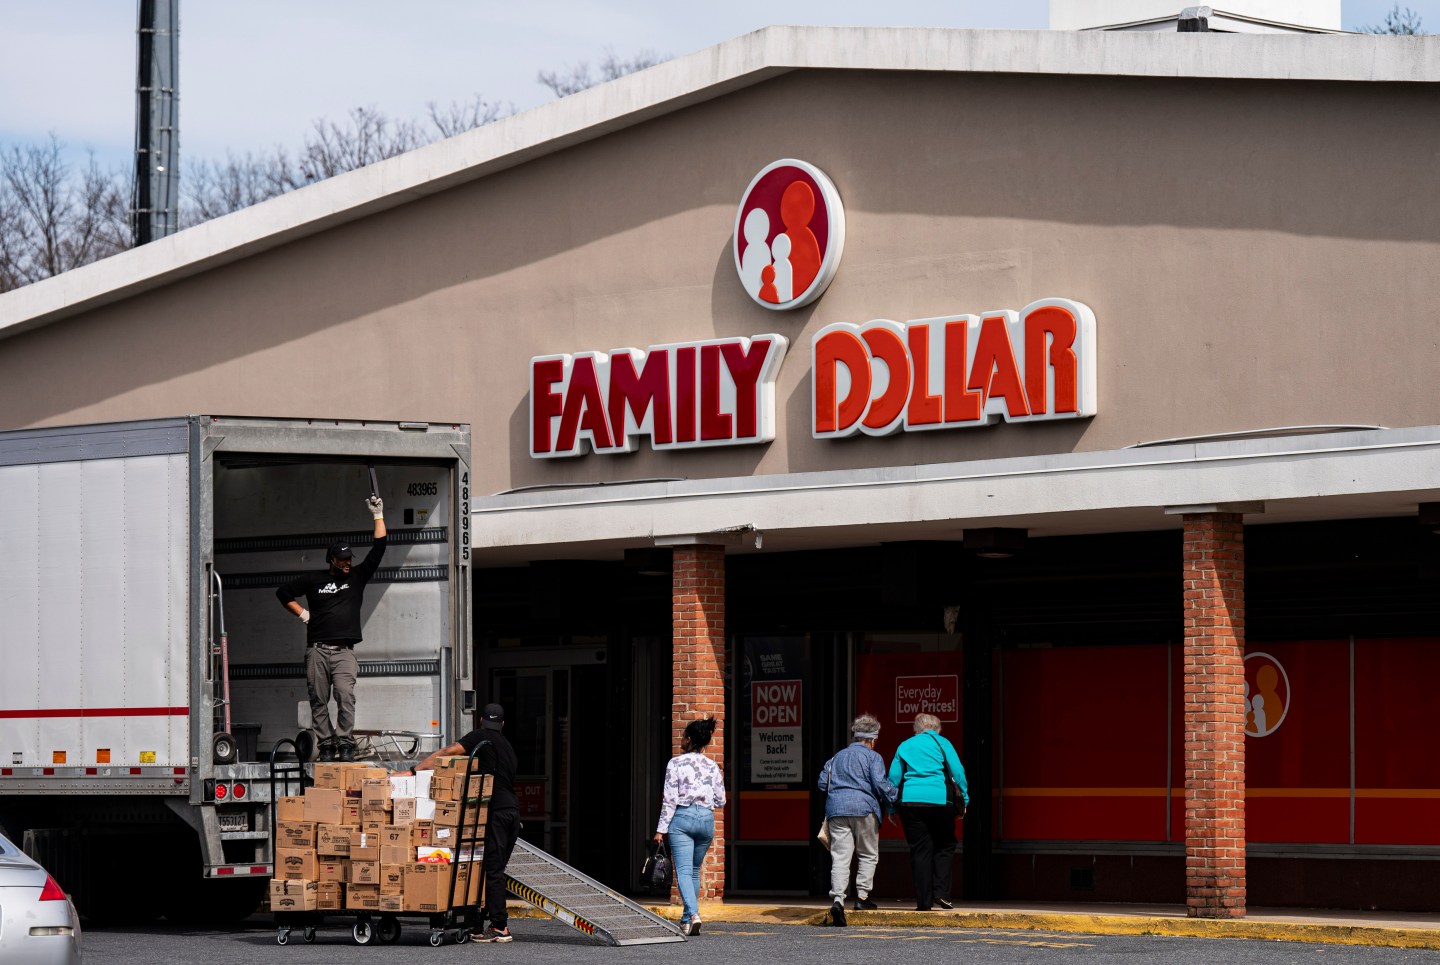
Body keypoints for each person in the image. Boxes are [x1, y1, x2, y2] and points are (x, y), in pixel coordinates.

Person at [276, 495, 386, 762]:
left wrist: (377, 515)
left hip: (344, 651)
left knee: (345, 694)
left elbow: (379, 548)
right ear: (332, 559)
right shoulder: (314, 579)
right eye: (342, 559)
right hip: (317, 650)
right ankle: (326, 744)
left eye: (349, 558)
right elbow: (283, 592)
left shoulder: (357, 576)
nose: (347, 562)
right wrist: (302, 613)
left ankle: (345, 741)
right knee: (318, 698)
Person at [408, 702, 520, 943]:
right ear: (502, 724)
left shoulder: (480, 737)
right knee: (494, 868)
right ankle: (483, 924)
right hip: (512, 812)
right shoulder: (508, 746)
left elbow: (450, 752)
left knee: (492, 869)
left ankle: (500, 927)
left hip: (497, 812)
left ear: (481, 721)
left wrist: (415, 770)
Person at [817, 713, 898, 927]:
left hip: (837, 810)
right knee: (868, 854)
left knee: (840, 857)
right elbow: (881, 784)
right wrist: (896, 797)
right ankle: (862, 898)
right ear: (872, 739)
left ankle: (838, 900)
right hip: (864, 809)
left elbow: (822, 784)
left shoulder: (836, 757)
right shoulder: (873, 757)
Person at [888, 713, 968, 912]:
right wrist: (964, 799)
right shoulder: (943, 743)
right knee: (945, 844)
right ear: (937, 728)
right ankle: (941, 893)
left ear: (916, 729)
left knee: (920, 851)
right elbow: (958, 772)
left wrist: (891, 807)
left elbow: (893, 779)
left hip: (910, 802)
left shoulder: (905, 745)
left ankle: (923, 902)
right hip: (940, 801)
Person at [653, 717, 725, 936]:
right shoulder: (712, 765)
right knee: (693, 871)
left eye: (684, 736)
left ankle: (693, 914)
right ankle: (687, 920)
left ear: (690, 740)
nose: (681, 739)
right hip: (706, 820)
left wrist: (660, 830)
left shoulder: (675, 763)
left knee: (683, 871)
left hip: (682, 818)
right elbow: (721, 800)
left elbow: (670, 800)